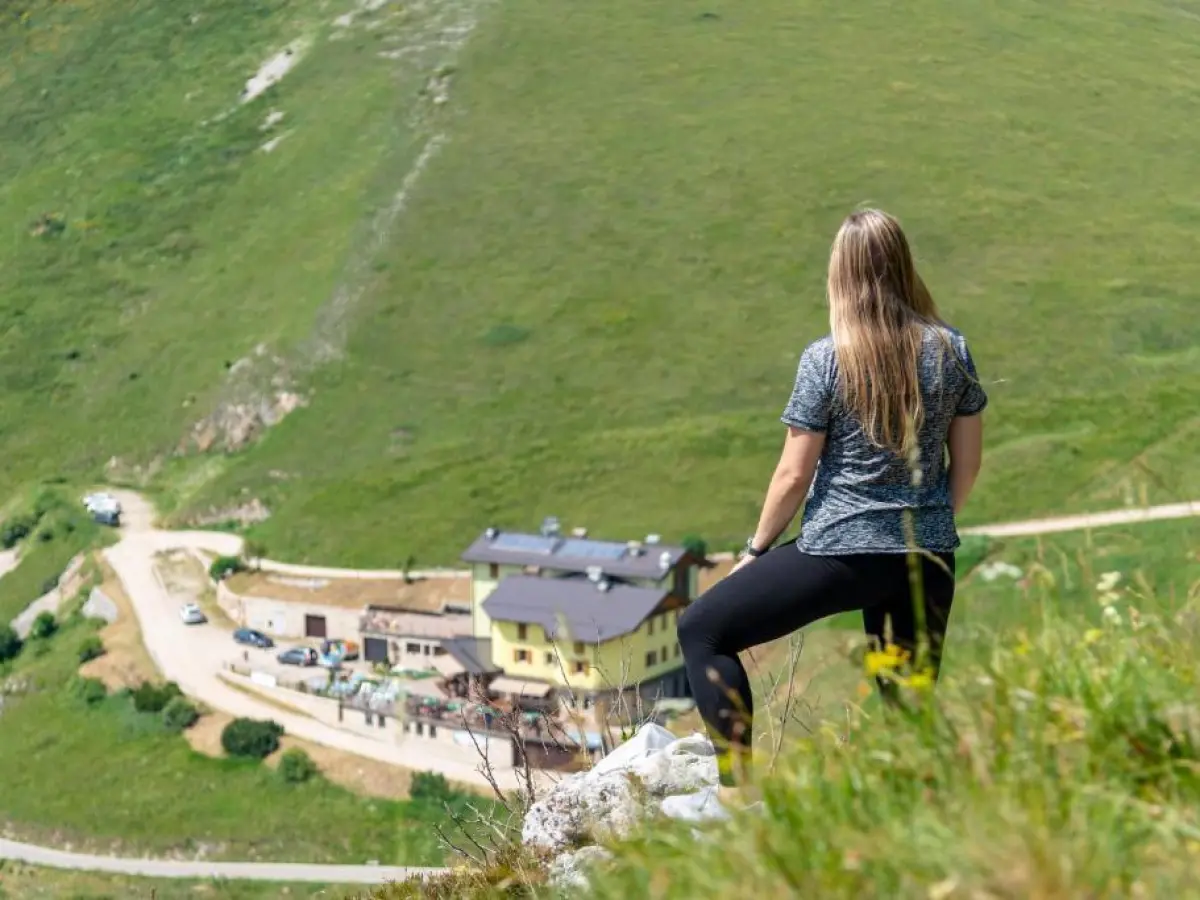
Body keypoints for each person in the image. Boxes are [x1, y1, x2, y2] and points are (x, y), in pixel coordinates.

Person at [676, 208, 987, 797]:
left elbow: (794, 474)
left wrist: (755, 549)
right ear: (903, 264)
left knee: (702, 630)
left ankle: (737, 793)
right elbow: (966, 465)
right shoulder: (952, 350)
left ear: (841, 274)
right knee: (908, 711)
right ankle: (923, 822)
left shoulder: (827, 358)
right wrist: (930, 525)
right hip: (928, 552)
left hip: (841, 551)